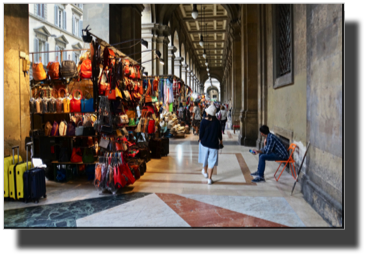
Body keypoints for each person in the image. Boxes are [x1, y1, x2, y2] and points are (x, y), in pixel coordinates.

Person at [198, 104, 223, 185]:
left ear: (208, 113)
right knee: (211, 161)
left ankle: (205, 172)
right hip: (214, 144)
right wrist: (221, 141)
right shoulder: (217, 122)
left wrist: (200, 139)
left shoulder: (203, 121)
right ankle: (209, 178)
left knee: (205, 158)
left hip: (204, 143)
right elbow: (219, 133)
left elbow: (201, 133)